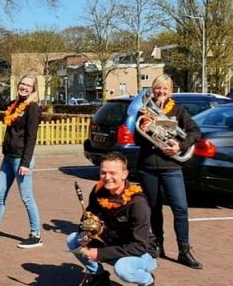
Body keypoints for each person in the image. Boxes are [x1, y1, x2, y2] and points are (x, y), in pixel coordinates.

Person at [136, 74, 202, 269]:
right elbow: (137, 140)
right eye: (158, 88)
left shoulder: (178, 111)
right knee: (154, 208)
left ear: (171, 91)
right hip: (148, 166)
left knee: (180, 208)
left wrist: (180, 146)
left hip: (171, 167)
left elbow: (195, 132)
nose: (161, 92)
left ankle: (184, 250)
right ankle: (157, 245)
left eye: (165, 89)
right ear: (153, 90)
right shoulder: (145, 112)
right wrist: (144, 127)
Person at [0, 73, 43, 248]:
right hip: (8, 157)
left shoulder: (32, 108)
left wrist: (26, 163)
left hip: (21, 159)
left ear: (33, 89)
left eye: (28, 85)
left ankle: (36, 234)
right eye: (22, 83)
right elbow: (2, 105)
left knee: (26, 197)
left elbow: (31, 137)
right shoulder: (15, 103)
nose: (24, 87)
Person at [66, 152, 157, 286]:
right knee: (73, 239)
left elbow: (140, 246)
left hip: (141, 252)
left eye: (113, 173)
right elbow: (86, 219)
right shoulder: (98, 191)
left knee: (123, 269)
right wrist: (83, 234)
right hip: (111, 244)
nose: (107, 177)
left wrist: (100, 254)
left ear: (124, 174)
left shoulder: (137, 203)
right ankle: (99, 276)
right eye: (103, 173)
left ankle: (147, 281)